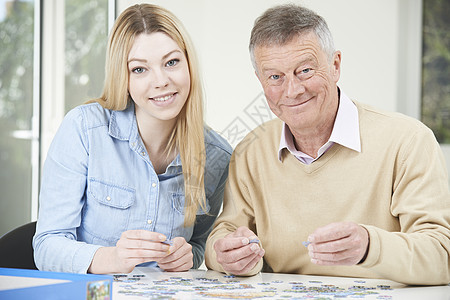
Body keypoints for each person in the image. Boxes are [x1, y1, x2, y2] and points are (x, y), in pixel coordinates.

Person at [205, 4, 450, 285]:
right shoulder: (251, 150)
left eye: (305, 70)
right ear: (261, 80)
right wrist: (224, 254)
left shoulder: (408, 141)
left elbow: (442, 256)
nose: (293, 90)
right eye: (275, 77)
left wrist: (371, 246)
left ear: (335, 66)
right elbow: (224, 233)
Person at [33, 3, 232, 274]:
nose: (161, 81)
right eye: (140, 69)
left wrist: (189, 257)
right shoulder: (84, 129)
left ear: (189, 65)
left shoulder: (217, 157)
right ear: (122, 76)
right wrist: (111, 258)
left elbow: (198, 244)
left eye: (171, 62)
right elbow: (47, 246)